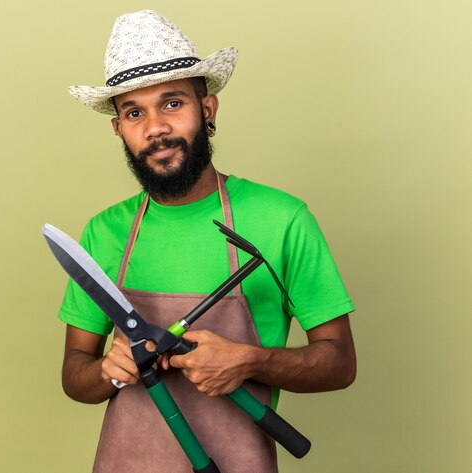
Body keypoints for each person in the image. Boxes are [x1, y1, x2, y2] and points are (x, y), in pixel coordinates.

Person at [58, 9, 356, 473]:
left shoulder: (282, 219)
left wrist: (250, 361)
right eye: (134, 112)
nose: (155, 127)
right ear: (118, 128)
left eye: (172, 103)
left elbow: (339, 364)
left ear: (208, 109)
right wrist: (104, 372)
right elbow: (75, 375)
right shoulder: (104, 231)